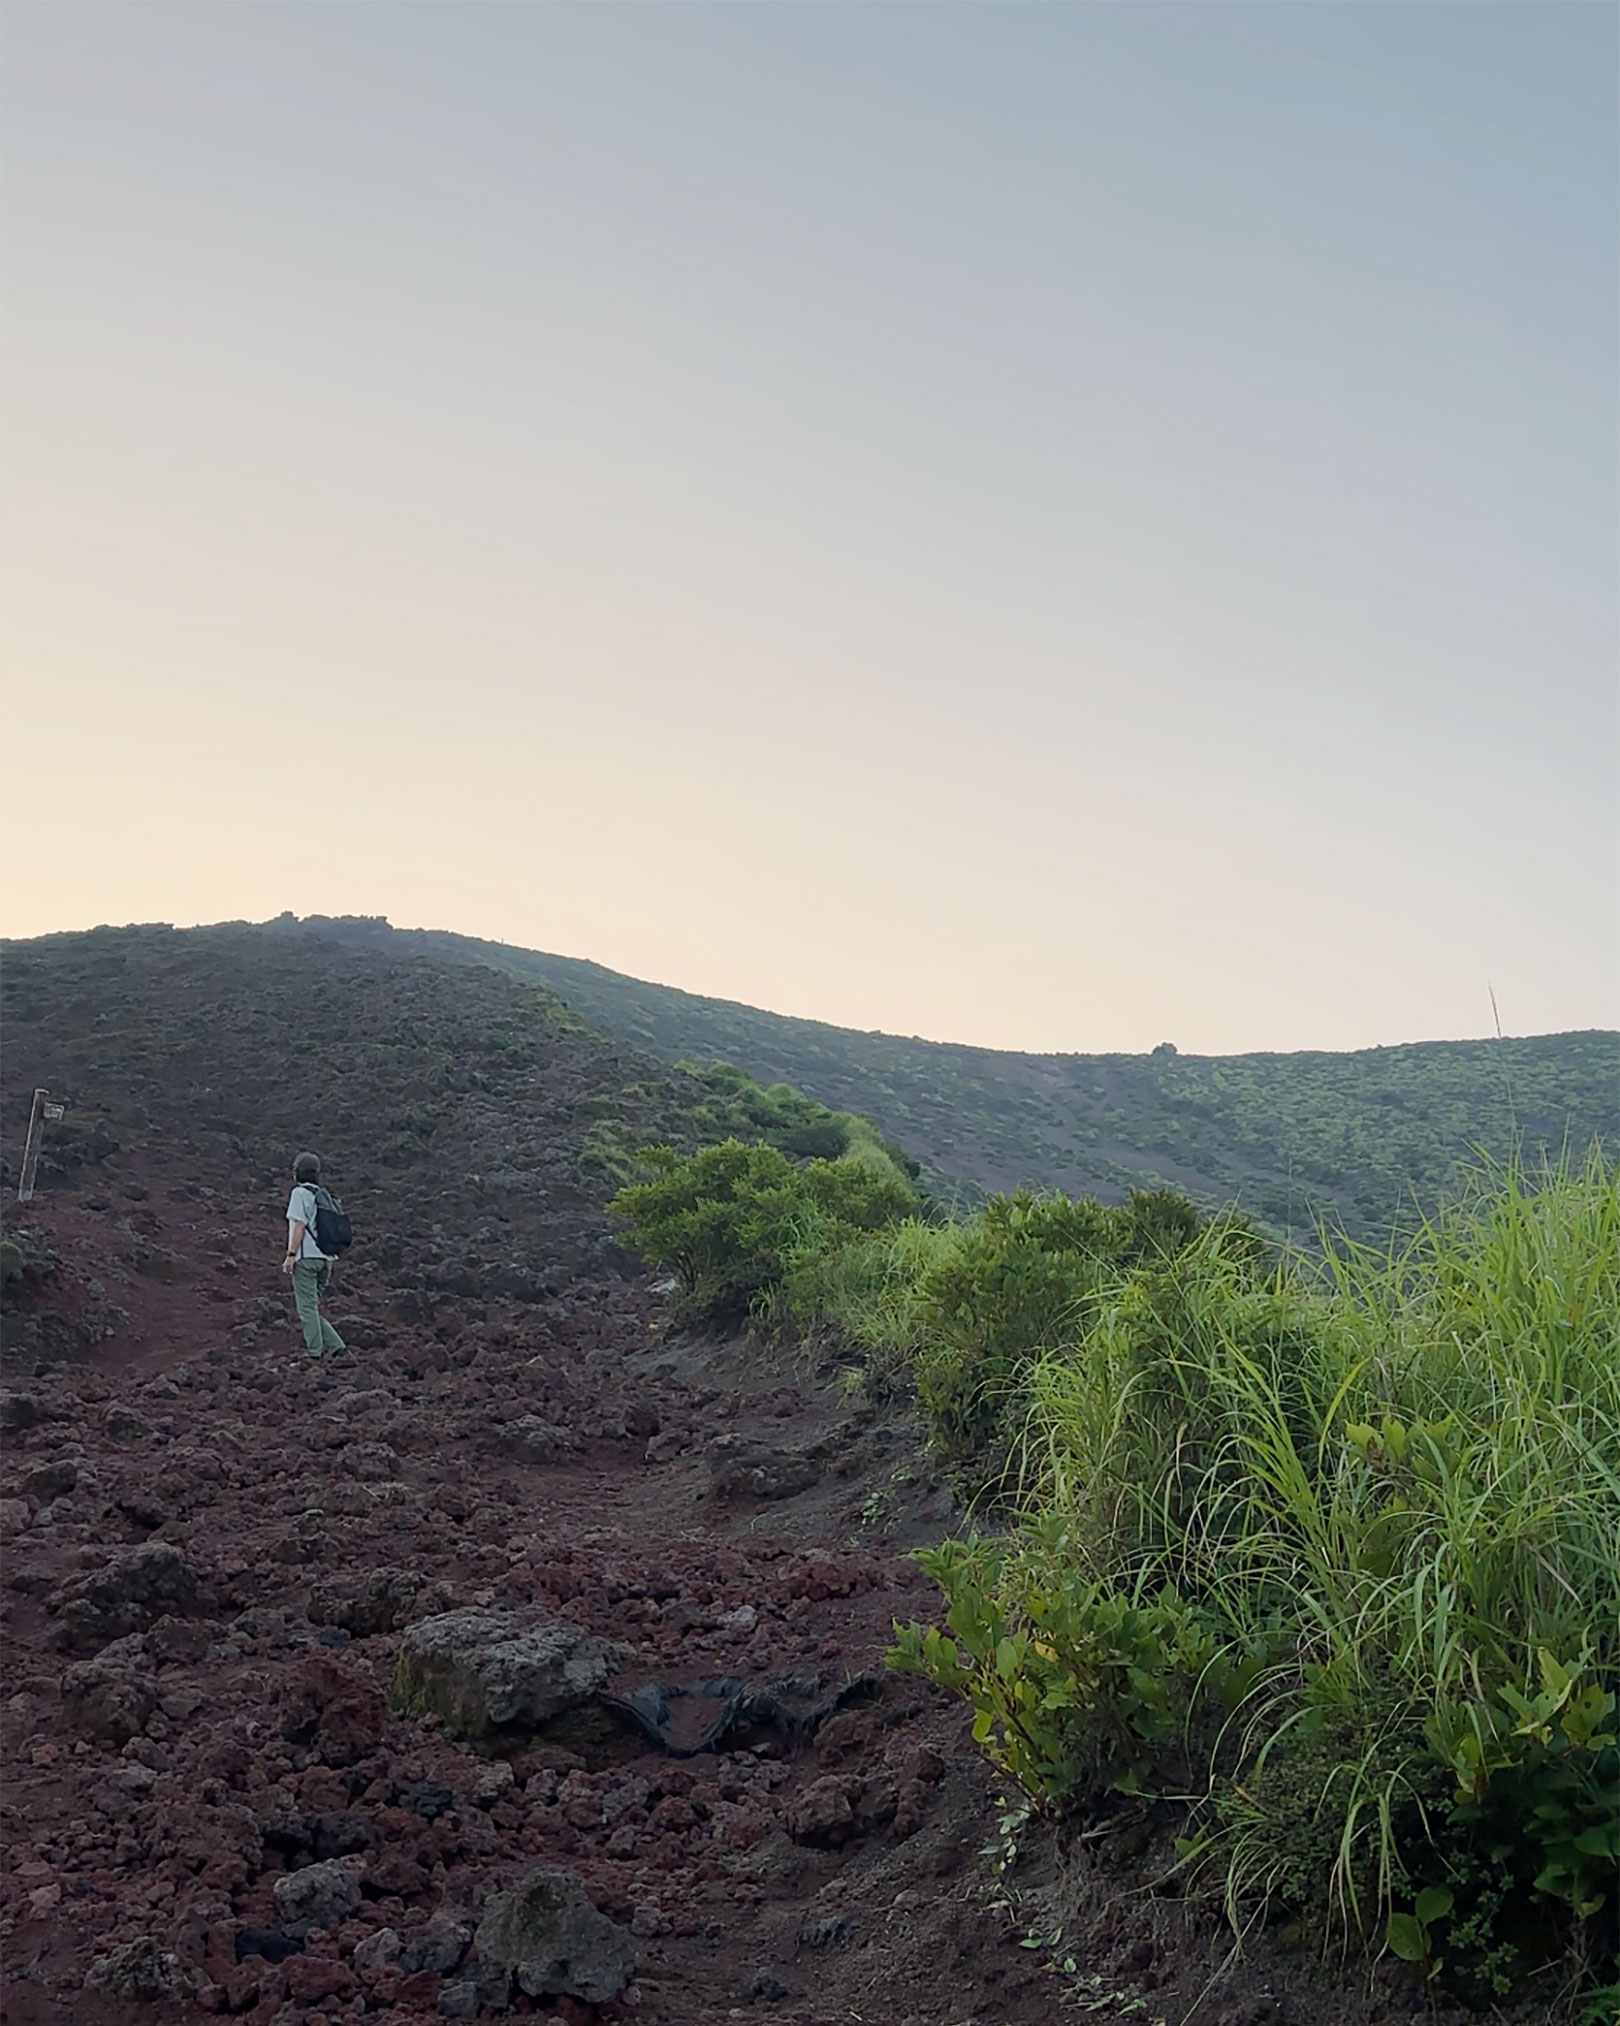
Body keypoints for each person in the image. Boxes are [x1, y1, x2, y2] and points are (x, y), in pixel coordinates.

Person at [282, 1151, 346, 1360]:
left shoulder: (299, 1194)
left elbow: (299, 1225)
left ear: (296, 1174)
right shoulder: (323, 1195)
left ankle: (314, 1355)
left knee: (307, 1310)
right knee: (312, 1309)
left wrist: (291, 1255)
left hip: (306, 1260)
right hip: (326, 1260)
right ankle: (338, 1348)